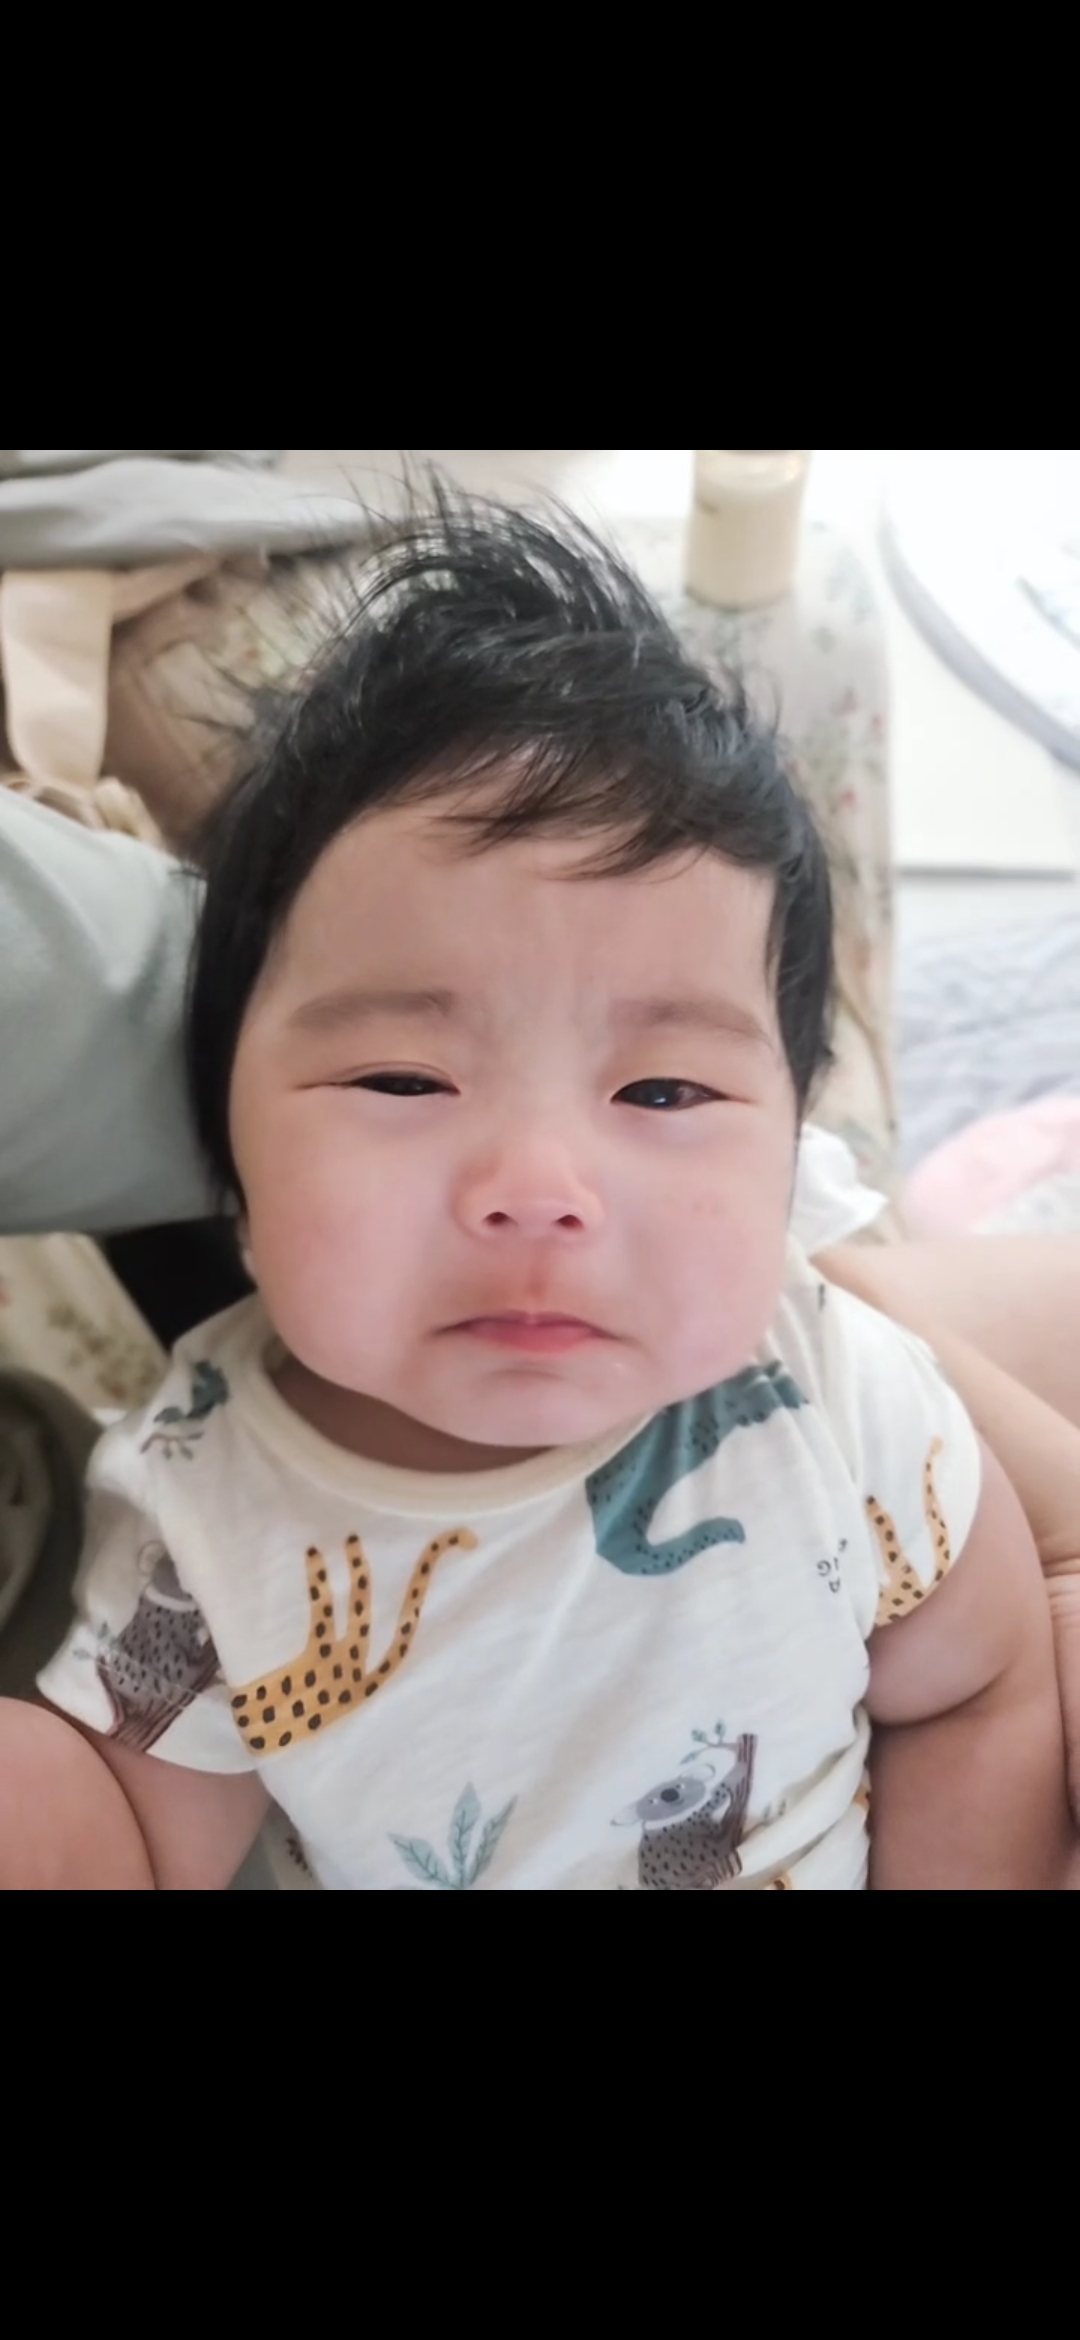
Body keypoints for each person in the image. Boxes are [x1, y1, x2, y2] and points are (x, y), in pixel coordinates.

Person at [0, 502, 1074, 1887]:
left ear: (792, 1151)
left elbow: (977, 1689)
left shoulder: (838, 1395)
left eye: (664, 1093)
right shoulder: (204, 1507)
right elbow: (137, 1827)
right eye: (403, 1080)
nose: (536, 1191)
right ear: (231, 1160)